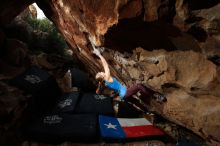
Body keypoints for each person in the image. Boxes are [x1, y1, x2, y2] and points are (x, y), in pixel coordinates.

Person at [92, 48, 166, 103]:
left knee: (137, 95)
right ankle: (155, 97)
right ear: (102, 77)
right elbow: (105, 65)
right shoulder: (107, 78)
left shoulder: (105, 83)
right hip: (125, 93)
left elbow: (97, 92)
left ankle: (149, 105)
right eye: (100, 73)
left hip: (123, 94)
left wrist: (99, 84)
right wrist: (99, 55)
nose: (101, 72)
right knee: (139, 86)